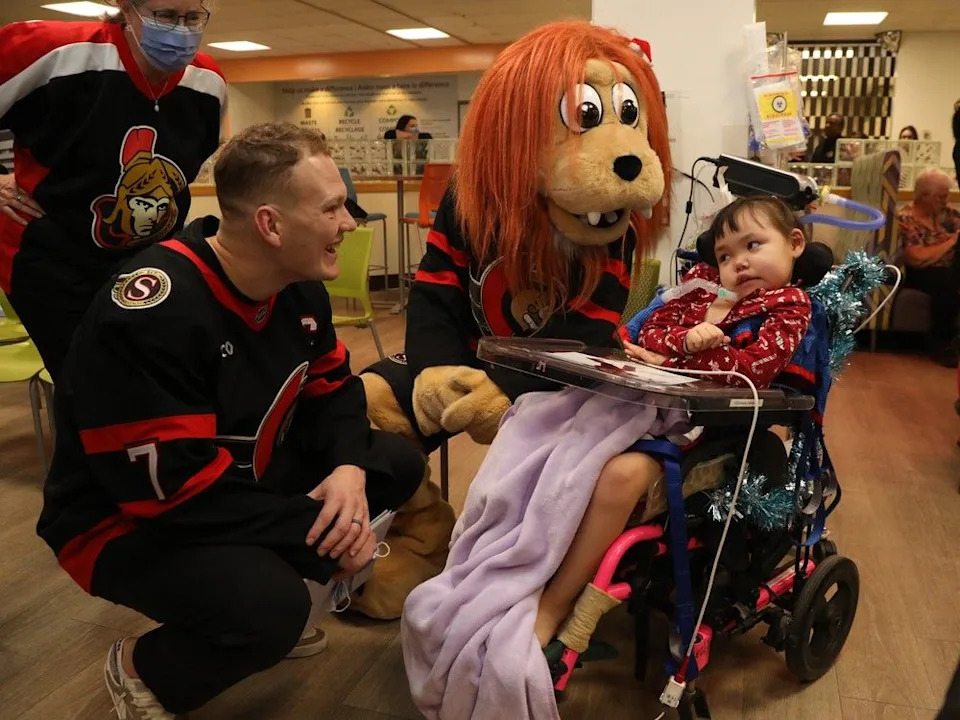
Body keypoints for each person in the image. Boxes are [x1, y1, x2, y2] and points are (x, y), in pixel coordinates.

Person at [35, 122, 423, 718]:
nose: (350, 223)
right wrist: (316, 533)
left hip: (232, 483)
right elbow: (170, 492)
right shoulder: (154, 310)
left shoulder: (299, 289)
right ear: (270, 224)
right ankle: (145, 669)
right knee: (268, 606)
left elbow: (334, 394)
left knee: (391, 465)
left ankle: (276, 594)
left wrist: (348, 470)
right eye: (333, 208)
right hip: (125, 517)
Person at [533, 196, 813, 647]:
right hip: (647, 405)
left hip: (715, 428)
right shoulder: (704, 291)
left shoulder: (789, 306)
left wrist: (684, 354)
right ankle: (527, 571)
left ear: (794, 243)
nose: (739, 263)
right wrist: (687, 337)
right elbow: (649, 330)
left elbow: (751, 371)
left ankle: (554, 603)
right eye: (725, 256)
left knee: (620, 477)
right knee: (543, 430)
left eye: (753, 245)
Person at [0, 0, 225, 382]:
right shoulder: (50, 52)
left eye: (191, 18)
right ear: (124, 4)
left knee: (152, 376)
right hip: (52, 259)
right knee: (87, 382)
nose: (179, 31)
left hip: (147, 257)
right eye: (165, 16)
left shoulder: (208, 83)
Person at [896, 167, 960, 366]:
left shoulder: (949, 215)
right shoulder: (907, 218)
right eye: (941, 197)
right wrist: (952, 242)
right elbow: (916, 257)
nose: (945, 201)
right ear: (924, 196)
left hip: (950, 267)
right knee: (945, 281)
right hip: (920, 274)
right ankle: (942, 343)